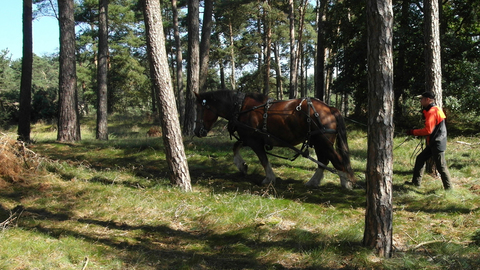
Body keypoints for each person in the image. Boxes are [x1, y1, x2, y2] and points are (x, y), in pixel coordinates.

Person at [404, 91, 452, 190]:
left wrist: (412, 132)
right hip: (434, 141)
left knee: (441, 167)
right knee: (420, 158)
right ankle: (415, 183)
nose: (420, 101)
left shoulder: (432, 111)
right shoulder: (434, 109)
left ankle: (449, 189)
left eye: (422, 99)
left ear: (428, 100)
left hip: (437, 142)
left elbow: (428, 130)